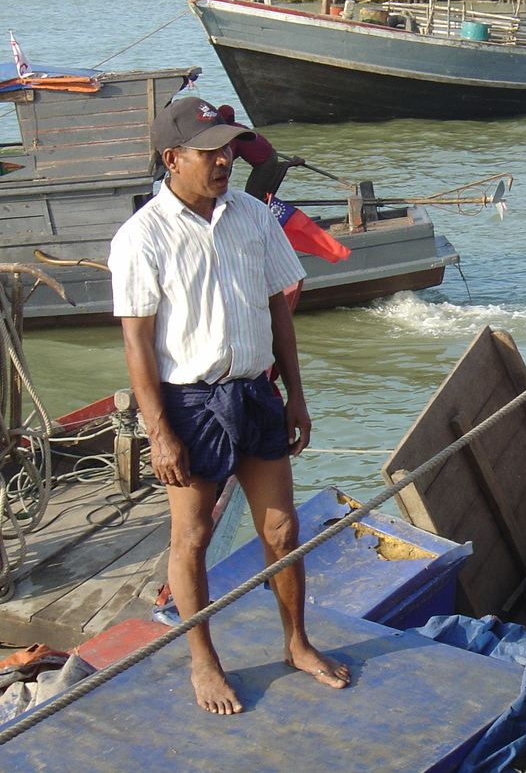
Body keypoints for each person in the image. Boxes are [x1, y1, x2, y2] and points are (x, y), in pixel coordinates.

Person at [108, 96, 350, 715]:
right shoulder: (142, 236)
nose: (225, 161)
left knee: (282, 528)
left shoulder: (251, 215)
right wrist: (158, 431)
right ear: (172, 159)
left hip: (255, 390)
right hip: (189, 399)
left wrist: (295, 395)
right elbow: (138, 340)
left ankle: (296, 642)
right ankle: (204, 662)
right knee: (192, 535)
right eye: (210, 152)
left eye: (229, 150)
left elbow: (279, 310)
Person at [216, 105, 303, 201]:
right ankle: (285, 165)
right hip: (269, 153)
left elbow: (228, 161)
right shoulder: (238, 127)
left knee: (252, 196)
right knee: (252, 193)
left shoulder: (231, 135)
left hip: (265, 163)